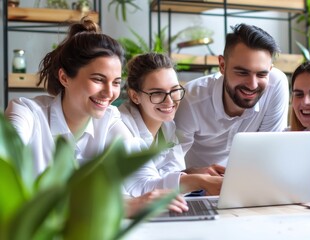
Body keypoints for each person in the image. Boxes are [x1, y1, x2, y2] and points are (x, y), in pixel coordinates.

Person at [4, 17, 187, 214]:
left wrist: (201, 182)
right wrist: (118, 206)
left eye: (116, 82)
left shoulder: (109, 119)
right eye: (98, 79)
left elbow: (141, 180)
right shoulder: (26, 113)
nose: (109, 93)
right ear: (64, 77)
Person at [174, 23, 290, 174]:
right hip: (195, 188)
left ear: (270, 69)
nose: (252, 85)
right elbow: (169, 165)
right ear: (222, 65)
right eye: (242, 73)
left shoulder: (276, 85)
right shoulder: (190, 99)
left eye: (261, 74)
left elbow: (269, 151)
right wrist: (196, 176)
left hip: (248, 182)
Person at [119, 53, 223, 197]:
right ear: (135, 96)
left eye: (174, 90)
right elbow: (142, 187)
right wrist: (198, 180)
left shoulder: (167, 126)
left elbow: (171, 172)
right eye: (157, 93)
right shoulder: (121, 126)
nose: (169, 101)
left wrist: (195, 173)